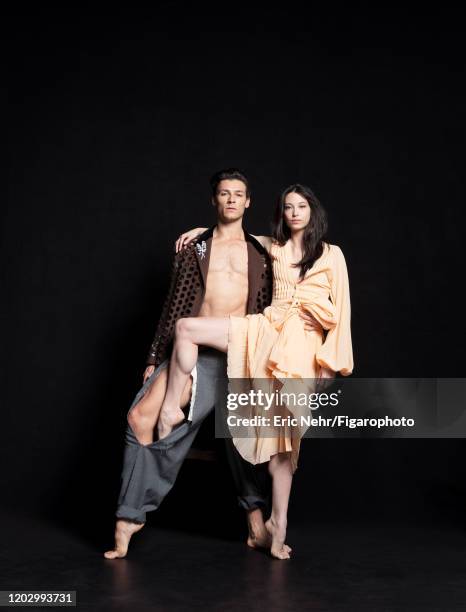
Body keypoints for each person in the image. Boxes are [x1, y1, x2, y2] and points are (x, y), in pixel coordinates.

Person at [104, 169, 321, 559]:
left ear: (248, 201)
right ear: (215, 200)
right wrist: (155, 357)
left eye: (239, 194)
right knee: (140, 418)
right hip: (194, 354)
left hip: (244, 353)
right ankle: (129, 516)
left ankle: (256, 524)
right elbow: (173, 307)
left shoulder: (265, 250)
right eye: (224, 194)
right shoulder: (195, 248)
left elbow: (297, 252)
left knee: (241, 437)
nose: (232, 200)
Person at [157, 183, 354, 559]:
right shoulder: (273, 246)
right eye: (288, 207)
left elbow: (342, 315)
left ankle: (277, 524)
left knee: (284, 441)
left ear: (312, 211)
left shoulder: (332, 255)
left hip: (302, 348)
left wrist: (330, 362)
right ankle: (170, 408)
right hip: (264, 328)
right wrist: (202, 232)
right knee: (186, 328)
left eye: (301, 206)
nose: (294, 212)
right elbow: (231, 234)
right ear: (282, 214)